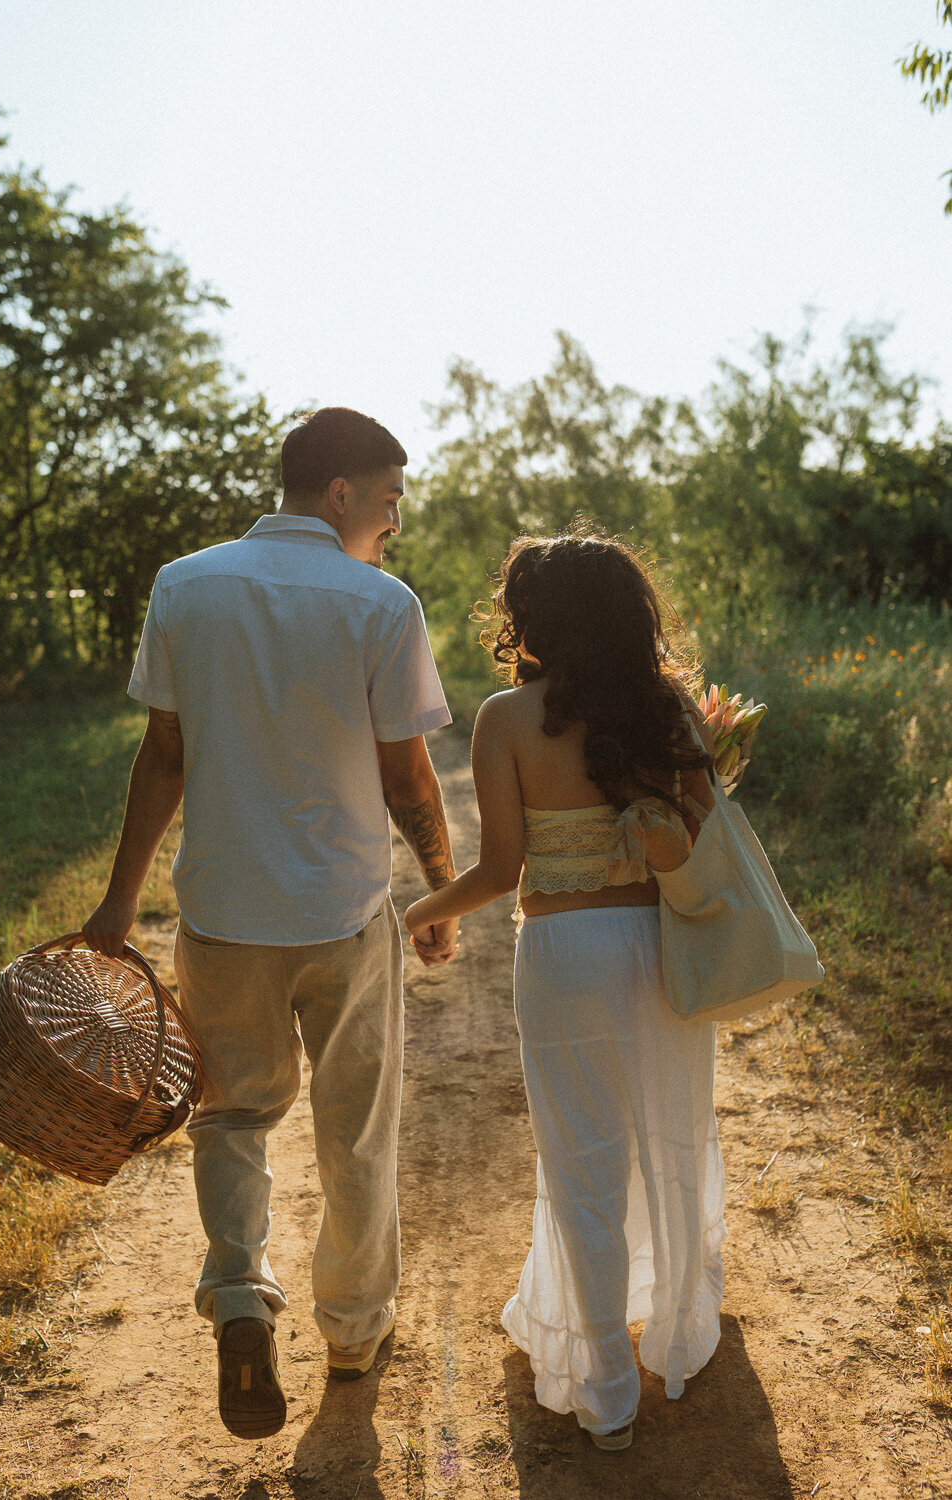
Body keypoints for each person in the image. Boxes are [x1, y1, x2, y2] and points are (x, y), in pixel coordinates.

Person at [83, 407, 459, 1441]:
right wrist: (436, 888)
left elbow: (165, 755)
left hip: (224, 917)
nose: (392, 522)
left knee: (232, 1116)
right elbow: (404, 771)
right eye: (387, 501)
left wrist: (121, 900)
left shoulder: (185, 585)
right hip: (341, 916)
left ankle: (241, 1295)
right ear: (339, 494)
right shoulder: (381, 604)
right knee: (357, 1130)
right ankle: (350, 1331)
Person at [404, 528, 726, 1451]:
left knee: (581, 1165)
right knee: (672, 1133)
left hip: (563, 955)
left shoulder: (507, 718)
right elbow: (704, 839)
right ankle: (673, 1329)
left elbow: (502, 869)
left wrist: (424, 907)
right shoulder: (669, 712)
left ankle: (608, 1392)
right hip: (661, 947)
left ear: (530, 621)